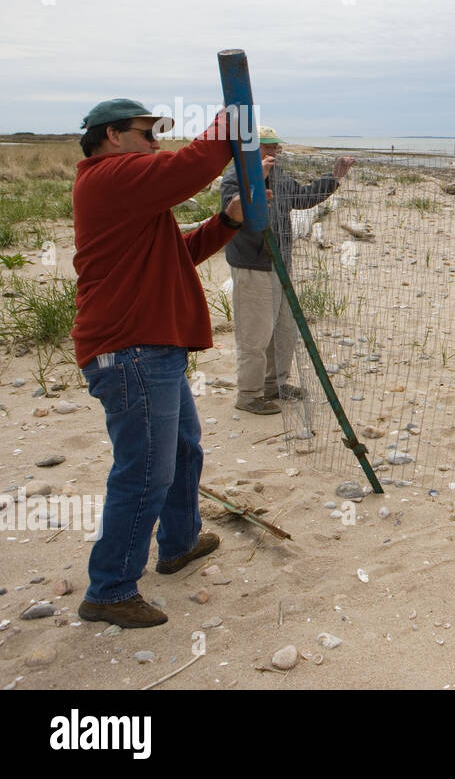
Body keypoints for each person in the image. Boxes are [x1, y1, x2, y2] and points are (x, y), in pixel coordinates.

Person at [72, 99, 243, 628]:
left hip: (148, 351)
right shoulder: (109, 177)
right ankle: (110, 589)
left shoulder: (124, 190)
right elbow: (191, 165)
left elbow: (179, 253)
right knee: (145, 472)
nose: (156, 144)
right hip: (131, 352)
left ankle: (179, 544)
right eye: (147, 134)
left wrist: (226, 222)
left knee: (184, 450)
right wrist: (232, 115)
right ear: (112, 137)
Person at [221, 126, 354, 414]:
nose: (273, 153)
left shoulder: (277, 174)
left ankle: (275, 384)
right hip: (252, 265)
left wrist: (335, 178)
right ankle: (249, 395)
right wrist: (258, 182)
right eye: (267, 147)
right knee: (254, 335)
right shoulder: (236, 177)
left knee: (284, 330)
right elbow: (234, 215)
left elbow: (302, 198)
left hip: (280, 265)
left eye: (275, 148)